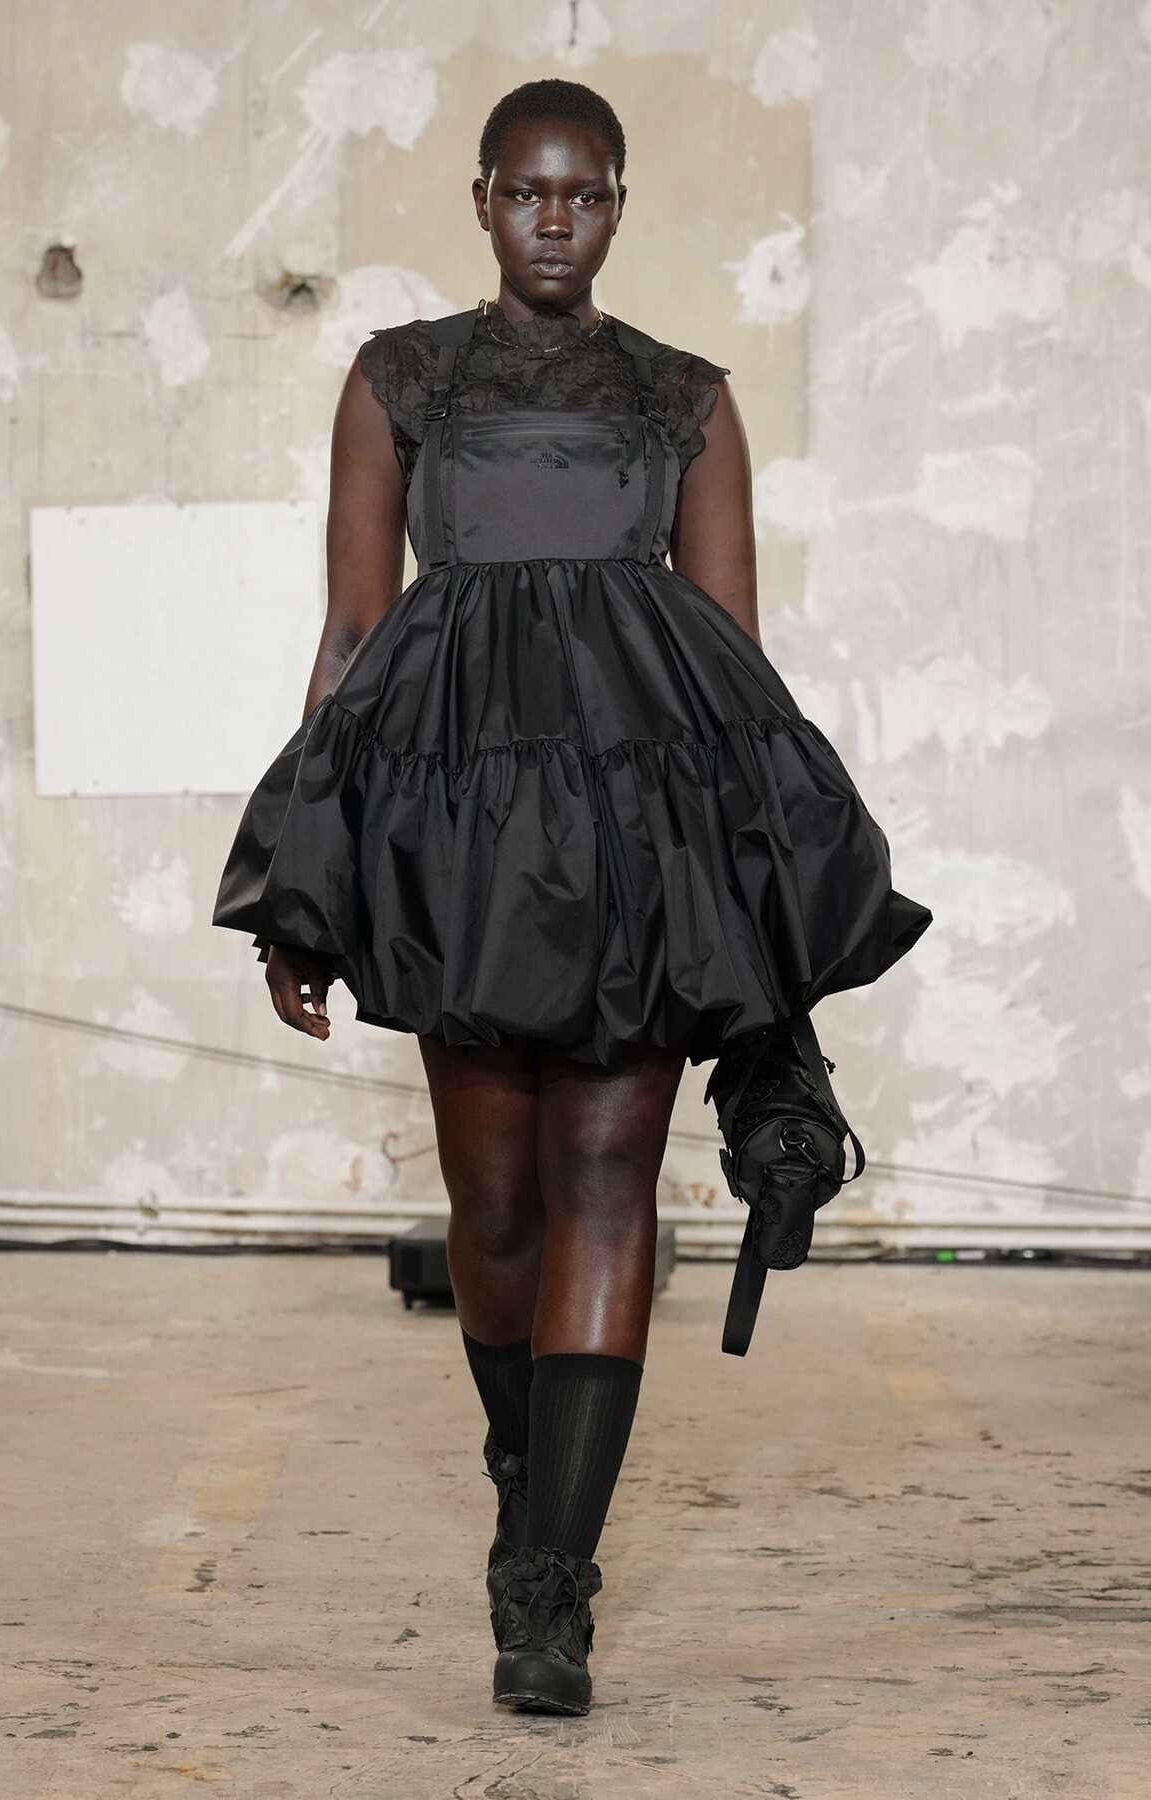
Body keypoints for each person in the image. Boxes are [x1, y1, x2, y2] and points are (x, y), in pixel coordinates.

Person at [214, 78, 928, 1716]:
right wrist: (305, 881)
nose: (555, 218)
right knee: (498, 1207)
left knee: (607, 1176)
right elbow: (351, 632)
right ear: (480, 200)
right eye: (527, 193)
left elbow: (734, 666)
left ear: (619, 204)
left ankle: (551, 1585)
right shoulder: (402, 377)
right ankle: (522, 1465)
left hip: (635, 839)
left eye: (585, 194)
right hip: (457, 829)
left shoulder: (684, 396)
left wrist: (761, 927)